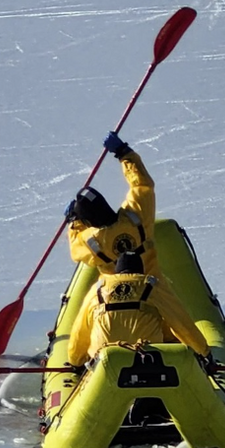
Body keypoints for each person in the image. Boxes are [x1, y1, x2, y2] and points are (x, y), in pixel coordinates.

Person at [65, 252, 209, 367]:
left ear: (117, 272)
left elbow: (81, 329)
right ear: (141, 271)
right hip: (148, 357)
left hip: (104, 359)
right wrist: (203, 352)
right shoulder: (151, 286)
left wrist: (75, 360)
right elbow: (181, 323)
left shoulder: (98, 290)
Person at [65, 132, 158, 275]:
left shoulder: (92, 240)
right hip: (152, 284)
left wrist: (74, 221)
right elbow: (142, 186)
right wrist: (123, 153)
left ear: (89, 222)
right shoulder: (136, 216)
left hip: (115, 291)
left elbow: (75, 249)